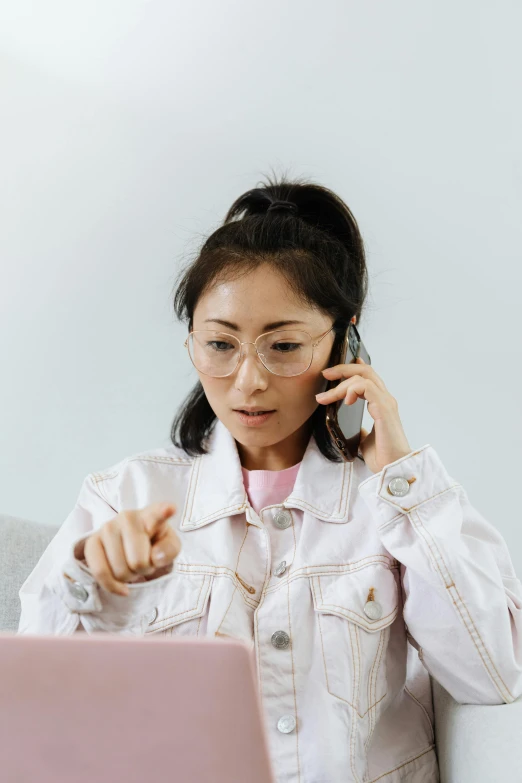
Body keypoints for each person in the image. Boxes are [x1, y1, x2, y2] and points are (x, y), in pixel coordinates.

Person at [18, 173, 522, 783]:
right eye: (220, 344)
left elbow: (493, 675)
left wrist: (399, 478)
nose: (248, 381)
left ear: (346, 338)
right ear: (191, 344)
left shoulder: (390, 502)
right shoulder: (127, 496)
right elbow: (42, 717)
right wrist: (98, 583)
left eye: (283, 346)